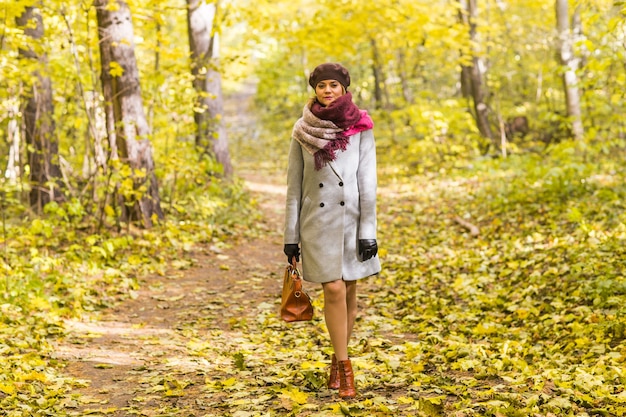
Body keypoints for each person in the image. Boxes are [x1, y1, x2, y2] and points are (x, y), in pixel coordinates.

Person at [283, 62, 381, 399]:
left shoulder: (361, 126)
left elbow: (368, 182)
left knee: (349, 290)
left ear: (343, 89)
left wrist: (369, 230)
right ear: (314, 90)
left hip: (352, 221)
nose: (327, 90)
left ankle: (336, 362)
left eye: (333, 85)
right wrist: (290, 237)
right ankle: (346, 365)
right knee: (335, 289)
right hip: (317, 223)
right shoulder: (301, 131)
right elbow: (294, 187)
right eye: (321, 85)